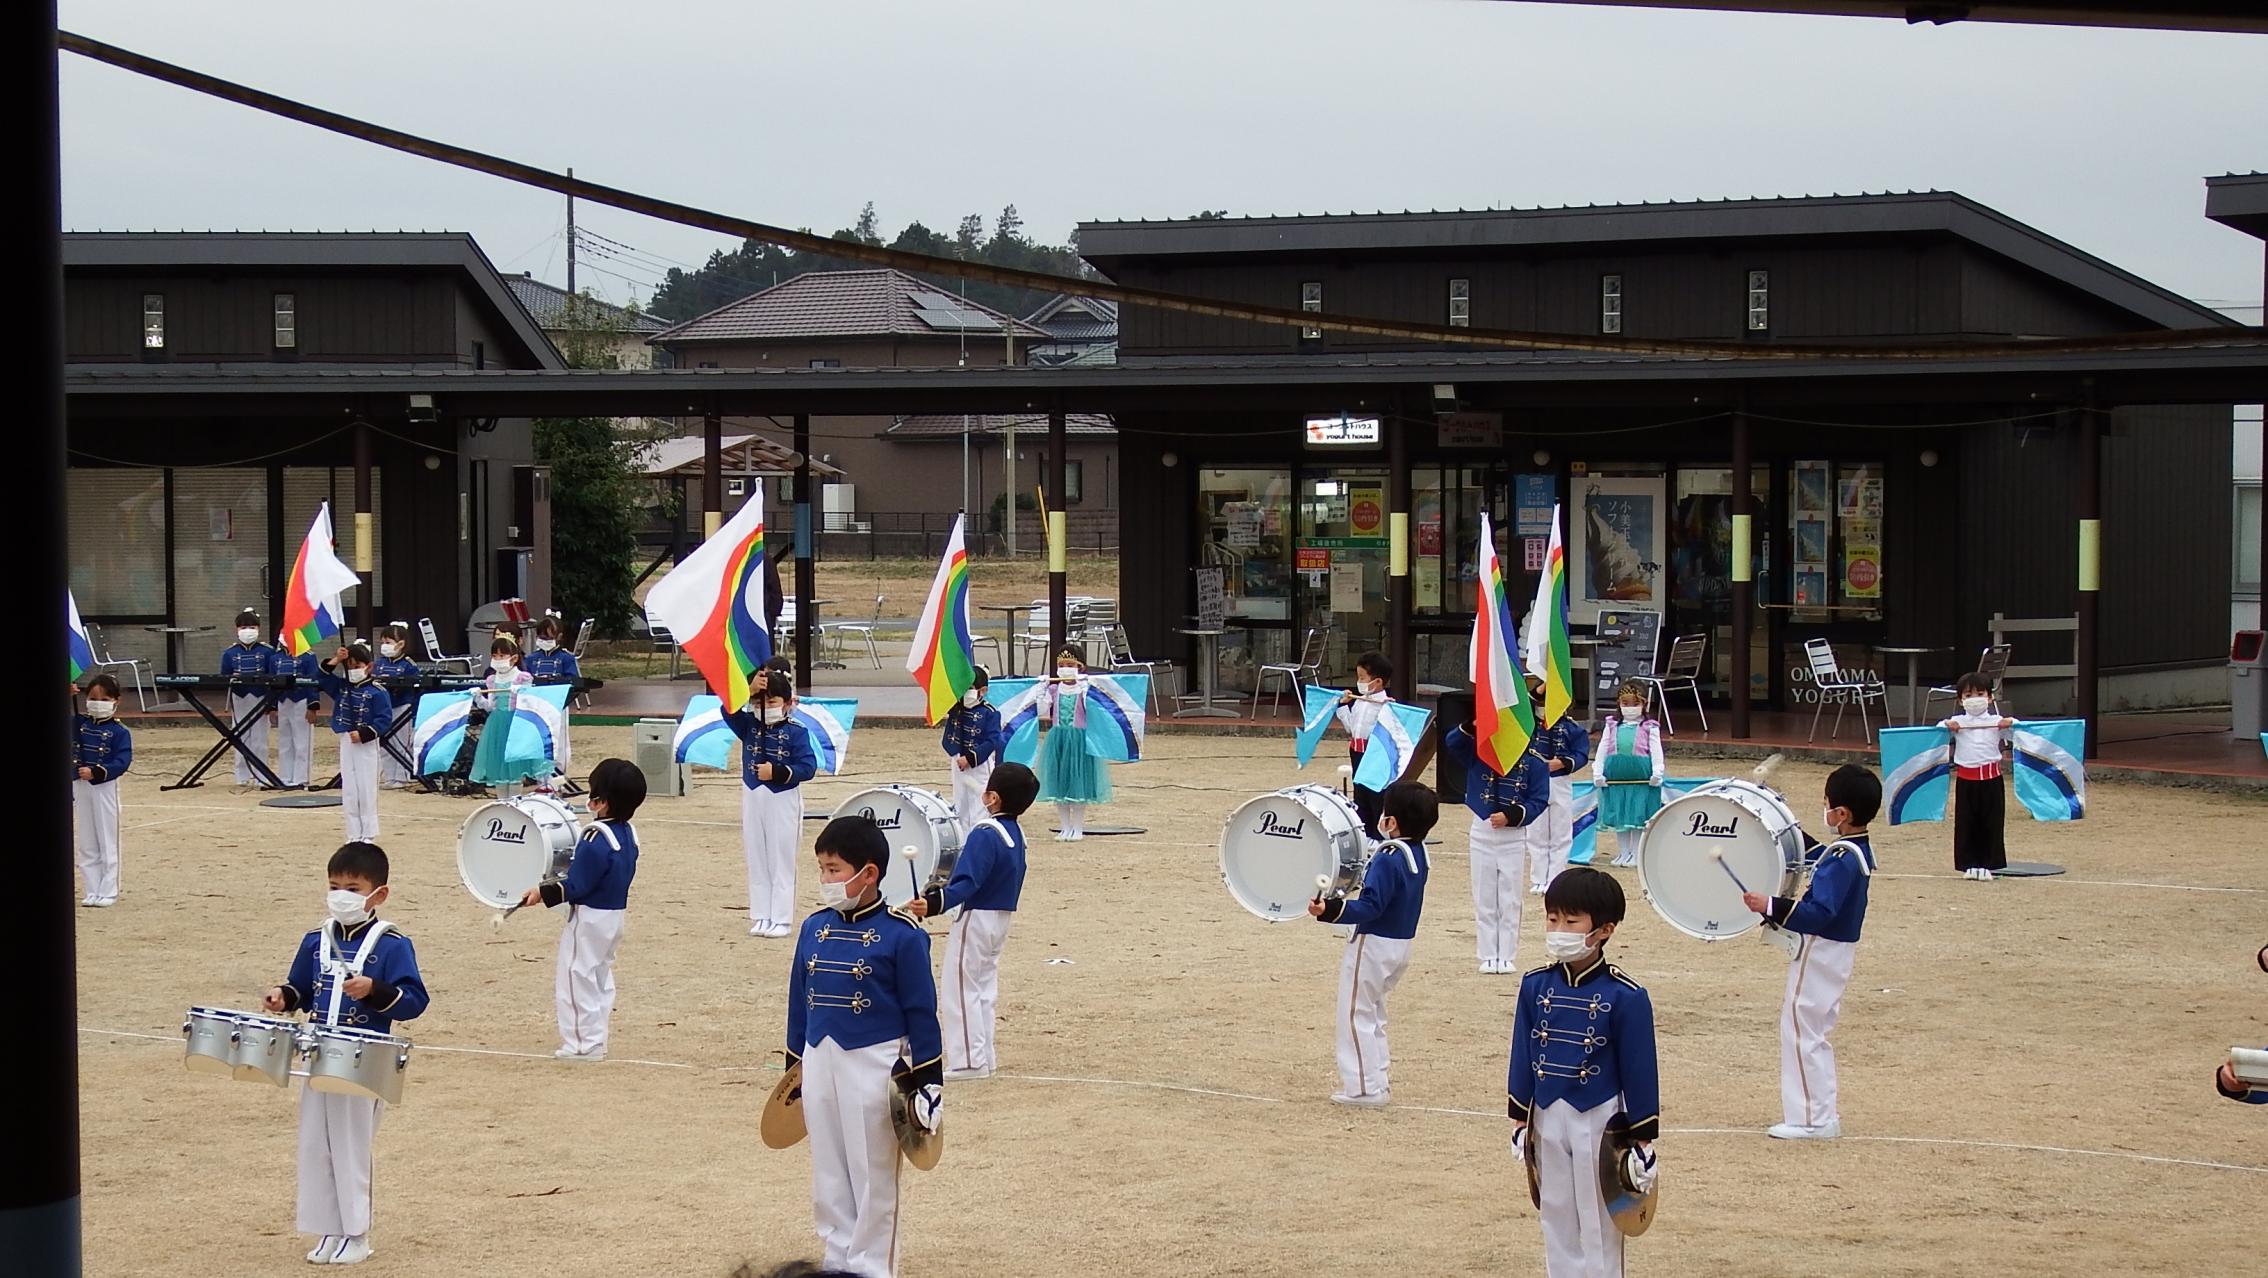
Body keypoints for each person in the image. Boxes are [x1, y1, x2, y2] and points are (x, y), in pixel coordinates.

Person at [260, 841, 429, 1267]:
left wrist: (376, 991)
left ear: (379, 894)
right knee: (316, 1145)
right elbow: (301, 986)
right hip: (317, 1055)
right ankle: (327, 1228)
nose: (342, 896)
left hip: (363, 1059)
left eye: (353, 888)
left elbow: (413, 1000)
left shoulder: (392, 945)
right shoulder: (316, 939)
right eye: (335, 886)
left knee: (351, 1148)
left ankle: (357, 1232)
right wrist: (284, 996)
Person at [787, 815, 942, 1278]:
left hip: (875, 1064)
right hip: (820, 1059)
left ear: (869, 873)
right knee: (829, 1171)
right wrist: (794, 1066)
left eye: (834, 869)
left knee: (873, 1175)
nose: (825, 880)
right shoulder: (814, 927)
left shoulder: (903, 934)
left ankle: (873, 1266)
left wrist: (927, 1082)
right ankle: (836, 1261)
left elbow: (921, 1010)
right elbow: (800, 1000)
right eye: (821, 869)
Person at [1508, 866, 1659, 1278]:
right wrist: (1521, 1116)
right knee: (1555, 1211)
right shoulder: (1535, 984)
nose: (1559, 929)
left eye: (1572, 921)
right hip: (1547, 1111)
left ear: (1604, 929)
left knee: (1600, 1218)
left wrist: (1643, 1139)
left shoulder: (1626, 995)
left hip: (1599, 1116)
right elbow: (1524, 1048)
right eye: (1553, 918)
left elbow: (1639, 1067)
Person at [1741, 763, 1881, 1141]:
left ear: (1842, 814)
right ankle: (1818, 1113)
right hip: (1834, 951)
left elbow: (1820, 913)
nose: (1825, 810)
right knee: (1811, 1029)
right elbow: (1818, 854)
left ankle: (1811, 1119)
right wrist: (1777, 817)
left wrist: (1769, 905)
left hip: (1822, 950)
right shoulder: (1851, 850)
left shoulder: (1844, 859)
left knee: (1802, 1029)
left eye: (1827, 804)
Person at [1308, 779, 1435, 1106]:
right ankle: (1376, 1080)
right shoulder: (1416, 853)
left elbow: (1372, 905)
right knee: (1373, 1013)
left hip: (1374, 944)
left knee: (1354, 1014)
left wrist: (1331, 910)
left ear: (1391, 822)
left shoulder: (1389, 856)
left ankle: (1364, 1088)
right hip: (1400, 944)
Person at [910, 761, 1036, 1080]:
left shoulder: (984, 833)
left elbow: (967, 882)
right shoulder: (1016, 834)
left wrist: (934, 902)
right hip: (1001, 917)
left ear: (991, 798)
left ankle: (969, 1061)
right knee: (983, 987)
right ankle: (984, 1056)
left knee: (960, 986)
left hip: (977, 916)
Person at [522, 757, 644, 1063]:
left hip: (590, 917)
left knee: (575, 978)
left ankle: (581, 1044)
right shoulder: (627, 834)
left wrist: (542, 891)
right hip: (614, 916)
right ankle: (595, 1039)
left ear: (601, 802)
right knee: (599, 978)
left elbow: (577, 884)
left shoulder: (594, 837)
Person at [1441, 712, 1551, 974]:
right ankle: (1488, 953)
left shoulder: (1534, 763)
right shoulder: (1481, 754)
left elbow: (1538, 799)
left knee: (1510, 898)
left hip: (1513, 835)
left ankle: (1507, 954)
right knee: (1485, 896)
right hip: (1481, 830)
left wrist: (1512, 816)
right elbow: (1453, 742)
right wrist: (1472, 723)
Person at [728, 668, 818, 938]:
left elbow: (808, 766)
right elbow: (727, 710)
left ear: (787, 704)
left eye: (771, 702)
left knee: (781, 858)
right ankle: (761, 914)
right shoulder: (748, 725)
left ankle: (781, 917)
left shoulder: (796, 732)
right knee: (756, 856)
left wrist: (778, 772)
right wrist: (750, 690)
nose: (764, 708)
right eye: (759, 703)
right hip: (753, 794)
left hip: (782, 797)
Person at [1938, 671, 2014, 881]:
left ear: (1990, 697)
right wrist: (1947, 725)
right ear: (1960, 700)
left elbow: (2016, 731)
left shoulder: (1995, 720)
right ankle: (1968, 864)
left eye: (1980, 694)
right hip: (1966, 781)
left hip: (1991, 779)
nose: (1974, 700)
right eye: (1968, 695)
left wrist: (2009, 723)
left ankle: (1989, 864)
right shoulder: (1958, 721)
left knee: (1992, 822)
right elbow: (1938, 730)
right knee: (1966, 822)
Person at [317, 643, 394, 843]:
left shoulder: (377, 691)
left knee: (366, 787)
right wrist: (336, 660)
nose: (353, 670)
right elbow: (322, 678)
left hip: (365, 743)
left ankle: (368, 832)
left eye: (357, 665)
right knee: (350, 787)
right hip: (346, 739)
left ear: (369, 667)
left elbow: (384, 719)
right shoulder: (342, 687)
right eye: (349, 666)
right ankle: (353, 832)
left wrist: (364, 734)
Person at [1035, 648, 1111, 842]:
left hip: (1079, 740)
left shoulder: (1084, 689)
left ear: (1080, 667)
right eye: (1061, 666)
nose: (1065, 669)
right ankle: (1064, 827)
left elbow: (1092, 711)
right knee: (1059, 783)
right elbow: (1042, 710)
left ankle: (1077, 827)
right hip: (1058, 739)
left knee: (1079, 784)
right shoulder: (1054, 689)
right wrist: (1041, 689)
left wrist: (1086, 691)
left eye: (1070, 665)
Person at [72, 675, 132, 908]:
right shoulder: (78, 723)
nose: (98, 703)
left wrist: (98, 771)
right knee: (86, 839)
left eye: (104, 699)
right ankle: (91, 887)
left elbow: (122, 760)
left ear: (116, 701)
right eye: (92, 698)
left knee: (107, 837)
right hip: (79, 783)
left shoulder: (119, 731)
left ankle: (108, 888)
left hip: (103, 785)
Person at [1529, 674, 1592, 891]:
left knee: (1560, 831)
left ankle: (1555, 877)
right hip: (1535, 781)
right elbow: (1526, 701)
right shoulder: (1531, 724)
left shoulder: (1572, 728)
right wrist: (1546, 684)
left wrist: (1562, 763)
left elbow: (1581, 754)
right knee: (1536, 831)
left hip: (1559, 780)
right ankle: (1538, 877)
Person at [1595, 681, 1666, 868]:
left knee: (1637, 816)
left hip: (1640, 779)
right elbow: (1603, 748)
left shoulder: (1649, 726)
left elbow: (1656, 751)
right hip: (1616, 778)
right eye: (1625, 704)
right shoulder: (1611, 725)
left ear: (1644, 704)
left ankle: (1636, 853)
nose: (1630, 708)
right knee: (1620, 815)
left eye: (1635, 704)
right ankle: (1623, 852)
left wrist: (1658, 771)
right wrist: (1598, 770)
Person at [469, 634, 542, 794]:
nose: (498, 659)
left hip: (516, 724)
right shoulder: (491, 680)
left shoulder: (522, 677)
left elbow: (530, 703)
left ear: (514, 657)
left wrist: (521, 693)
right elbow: (490, 706)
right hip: (496, 725)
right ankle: (502, 803)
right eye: (495, 656)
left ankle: (515, 803)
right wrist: (478, 697)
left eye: (502, 655)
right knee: (499, 767)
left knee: (514, 768)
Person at [1335, 651, 1396, 838]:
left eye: (1362, 677)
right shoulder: (1360, 701)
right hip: (1357, 751)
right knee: (1360, 794)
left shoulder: (1386, 705)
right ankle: (1363, 836)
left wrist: (1389, 710)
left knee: (1376, 796)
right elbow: (1351, 728)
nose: (1358, 681)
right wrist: (1343, 705)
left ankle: (1378, 836)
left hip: (1375, 755)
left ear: (1377, 681)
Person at [940, 665, 1006, 836]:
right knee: (960, 801)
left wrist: (970, 758)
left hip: (979, 764)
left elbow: (992, 740)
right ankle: (961, 836)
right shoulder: (957, 708)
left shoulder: (990, 713)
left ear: (982, 690)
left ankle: (979, 835)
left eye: (970, 688)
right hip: (958, 760)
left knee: (980, 802)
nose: (966, 692)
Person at [221, 607, 277, 788]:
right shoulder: (230, 653)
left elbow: (274, 677)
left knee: (260, 738)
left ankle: (262, 774)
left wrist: (272, 703)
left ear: (258, 629)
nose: (248, 631)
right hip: (240, 697)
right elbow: (223, 676)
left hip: (261, 696)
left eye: (252, 627)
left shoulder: (267, 651)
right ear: (237, 629)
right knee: (240, 736)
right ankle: (242, 775)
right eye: (244, 627)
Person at [370, 622, 422, 790]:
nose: (385, 646)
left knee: (401, 742)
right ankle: (390, 776)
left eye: (389, 642)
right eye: (383, 642)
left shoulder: (408, 664)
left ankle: (403, 776)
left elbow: (415, 687)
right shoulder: (379, 663)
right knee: (384, 743)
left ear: (401, 644)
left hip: (401, 705)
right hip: (383, 707)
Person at [271, 631, 320, 791]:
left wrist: (312, 706)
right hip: (283, 701)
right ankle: (285, 777)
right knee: (285, 741)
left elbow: (313, 681)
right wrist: (272, 706)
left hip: (301, 701)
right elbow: (271, 682)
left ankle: (301, 778)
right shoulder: (275, 658)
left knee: (302, 741)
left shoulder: (307, 656)